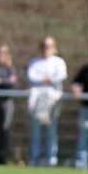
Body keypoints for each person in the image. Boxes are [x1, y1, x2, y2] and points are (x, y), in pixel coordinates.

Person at [26, 36, 67, 166]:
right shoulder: (34, 62)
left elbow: (61, 76)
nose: (46, 49)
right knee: (35, 130)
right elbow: (31, 76)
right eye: (44, 46)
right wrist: (45, 79)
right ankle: (34, 158)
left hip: (53, 99)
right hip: (37, 100)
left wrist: (49, 79)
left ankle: (51, 159)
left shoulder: (59, 62)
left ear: (54, 48)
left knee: (51, 130)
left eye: (49, 46)